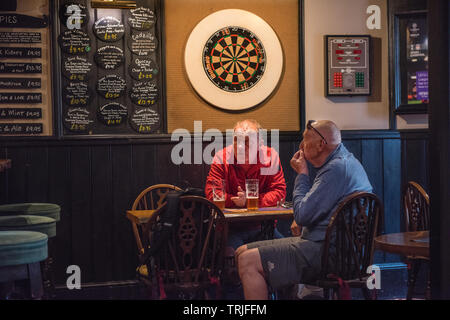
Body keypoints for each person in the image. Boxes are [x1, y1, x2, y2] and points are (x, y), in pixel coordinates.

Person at [235, 120, 373, 299]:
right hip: (336, 248)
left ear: (321, 144)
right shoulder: (343, 162)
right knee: (241, 252)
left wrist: (302, 174)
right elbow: (312, 209)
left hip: (331, 255)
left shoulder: (336, 169)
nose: (300, 145)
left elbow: (301, 215)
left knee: (248, 260)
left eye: (305, 140)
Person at [204, 119, 286, 250]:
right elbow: (212, 193)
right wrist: (236, 201)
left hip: (264, 227)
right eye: (237, 140)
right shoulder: (221, 157)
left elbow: (279, 192)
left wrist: (249, 201)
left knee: (287, 255)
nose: (241, 146)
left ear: (260, 143)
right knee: (233, 257)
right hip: (230, 228)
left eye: (247, 141)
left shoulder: (271, 156)